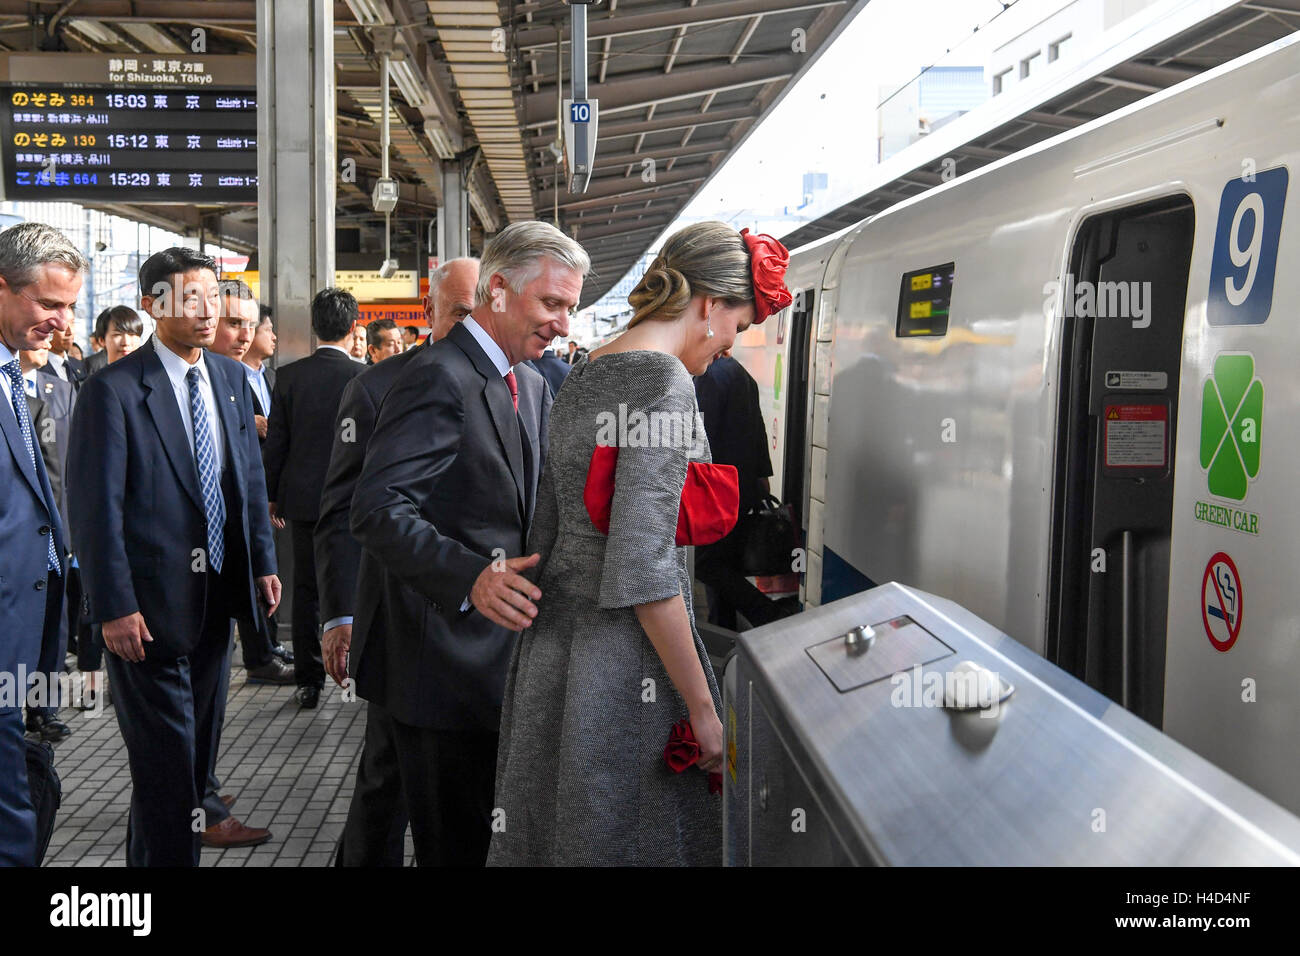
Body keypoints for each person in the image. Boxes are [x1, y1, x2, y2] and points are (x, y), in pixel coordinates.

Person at [488, 222, 791, 866]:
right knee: (629, 839)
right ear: (710, 306)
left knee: (555, 834)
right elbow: (645, 571)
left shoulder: (588, 370)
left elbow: (548, 528)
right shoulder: (664, 382)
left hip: (554, 656)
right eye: (739, 326)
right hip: (623, 665)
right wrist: (705, 710)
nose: (731, 346)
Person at [350, 223, 586, 866]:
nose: (563, 325)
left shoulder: (531, 382)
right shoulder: (440, 376)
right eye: (552, 305)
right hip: (441, 671)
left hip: (497, 667)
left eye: (570, 308)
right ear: (500, 290)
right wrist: (471, 576)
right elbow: (376, 507)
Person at [68, 246, 280, 865]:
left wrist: (262, 562)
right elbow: (94, 508)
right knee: (166, 776)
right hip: (145, 613)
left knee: (192, 766)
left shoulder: (235, 381)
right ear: (151, 305)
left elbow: (249, 482)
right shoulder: (114, 391)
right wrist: (112, 606)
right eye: (191, 299)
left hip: (216, 598)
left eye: (214, 298)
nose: (208, 312)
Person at [317, 257, 478, 866]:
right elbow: (342, 509)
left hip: (481, 621)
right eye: (457, 312)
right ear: (429, 314)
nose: (469, 325)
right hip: (401, 622)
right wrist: (339, 616)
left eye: (476, 310)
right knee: (386, 777)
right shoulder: (377, 387)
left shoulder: (526, 380)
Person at [0, 222, 80, 866]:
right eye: (47, 304)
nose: (60, 321)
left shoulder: (20, 377)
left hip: (25, 630)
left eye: (69, 306)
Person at [262, 288, 366, 708]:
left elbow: (277, 445)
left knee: (305, 588)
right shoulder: (366, 376)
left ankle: (309, 681)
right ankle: (357, 672)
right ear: (353, 327)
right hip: (356, 502)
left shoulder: (288, 377)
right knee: (357, 583)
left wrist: (272, 498)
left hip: (305, 503)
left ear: (313, 327)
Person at [693, 350, 792, 629]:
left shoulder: (709, 376)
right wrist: (762, 476)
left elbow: (703, 439)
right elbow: (757, 427)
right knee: (726, 561)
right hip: (741, 484)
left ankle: (766, 614)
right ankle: (723, 630)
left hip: (720, 489)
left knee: (707, 563)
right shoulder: (739, 372)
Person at [20, 345, 75, 743]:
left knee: (51, 627)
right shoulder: (13, 394)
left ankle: (43, 710)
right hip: (17, 536)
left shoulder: (58, 390)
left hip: (55, 533)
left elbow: (66, 468)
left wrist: (69, 533)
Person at [243, 305, 276, 442]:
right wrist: (250, 423)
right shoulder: (228, 376)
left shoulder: (272, 376)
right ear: (251, 332)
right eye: (268, 330)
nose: (274, 337)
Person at [44, 324, 86, 390]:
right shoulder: (37, 366)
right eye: (63, 325)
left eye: (72, 323)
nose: (69, 332)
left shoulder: (79, 365)